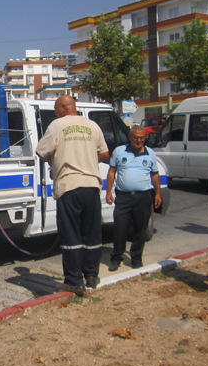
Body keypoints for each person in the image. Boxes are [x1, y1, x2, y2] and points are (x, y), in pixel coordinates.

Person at [36, 95, 109, 296]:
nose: (55, 112)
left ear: (64, 108)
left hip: (69, 186)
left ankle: (74, 280)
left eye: (56, 109)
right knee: (91, 232)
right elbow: (105, 153)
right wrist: (85, 155)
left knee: (71, 235)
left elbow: (41, 152)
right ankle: (92, 276)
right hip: (92, 185)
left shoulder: (57, 125)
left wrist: (63, 156)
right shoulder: (93, 126)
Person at [105, 126, 162, 271]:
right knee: (120, 229)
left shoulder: (150, 154)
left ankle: (136, 258)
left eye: (142, 138)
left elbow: (155, 175)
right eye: (136, 137)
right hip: (123, 197)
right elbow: (112, 171)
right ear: (130, 137)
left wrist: (158, 193)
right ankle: (116, 258)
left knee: (140, 229)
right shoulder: (119, 151)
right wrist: (108, 192)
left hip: (143, 197)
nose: (139, 140)